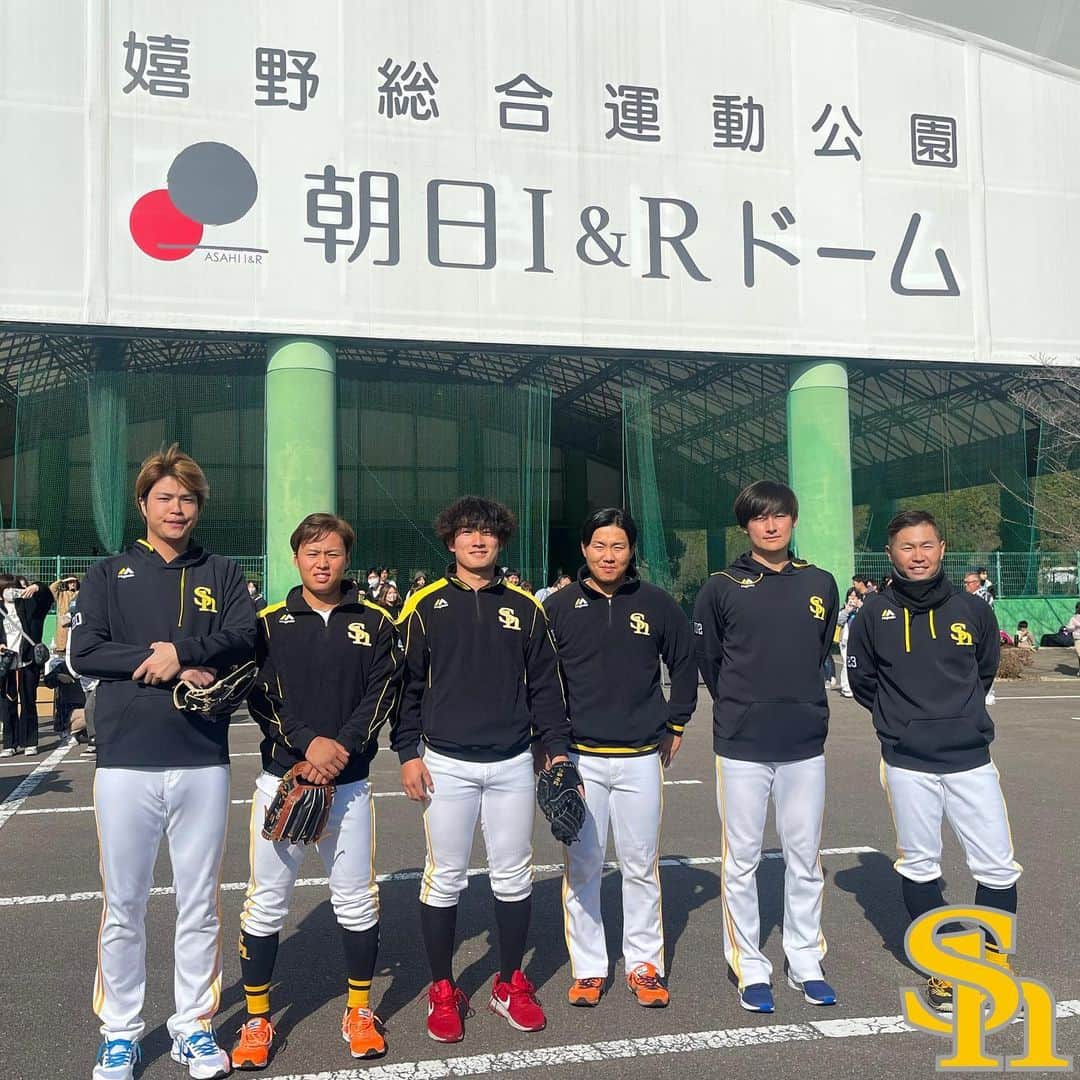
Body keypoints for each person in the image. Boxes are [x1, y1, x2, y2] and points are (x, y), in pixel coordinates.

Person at [70, 445, 257, 1080]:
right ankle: (120, 1032)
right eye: (165, 498)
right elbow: (84, 651)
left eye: (188, 499)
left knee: (199, 903)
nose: (177, 508)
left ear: (199, 507)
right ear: (143, 504)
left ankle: (193, 1027)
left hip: (202, 757)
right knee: (123, 904)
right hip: (125, 760)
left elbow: (245, 637)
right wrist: (159, 661)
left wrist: (185, 651)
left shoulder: (222, 571)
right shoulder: (108, 573)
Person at [392, 495, 571, 1043]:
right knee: (444, 878)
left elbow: (546, 687)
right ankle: (443, 988)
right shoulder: (423, 604)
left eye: (487, 532)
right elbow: (407, 686)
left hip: (513, 762)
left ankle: (510, 983)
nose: (478, 540)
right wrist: (407, 753)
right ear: (451, 541)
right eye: (467, 531)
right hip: (445, 763)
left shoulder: (526, 607)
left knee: (514, 875)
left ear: (500, 541)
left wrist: (556, 749)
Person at [235, 513, 401, 1069]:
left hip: (348, 786)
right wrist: (308, 746)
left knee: (356, 900)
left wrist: (340, 750)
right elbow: (260, 698)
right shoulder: (268, 623)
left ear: (347, 558)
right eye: (312, 553)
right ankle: (257, 1019)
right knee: (266, 903)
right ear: (296, 559)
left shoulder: (376, 621)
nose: (322, 562)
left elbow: (383, 693)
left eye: (332, 552)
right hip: (282, 781)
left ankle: (359, 1011)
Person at [847, 510, 1017, 1014]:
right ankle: (945, 967)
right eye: (907, 546)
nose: (917, 556)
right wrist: (902, 722)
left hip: (970, 758)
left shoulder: (973, 610)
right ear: (890, 554)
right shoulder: (873, 614)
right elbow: (863, 682)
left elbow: (984, 670)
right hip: (906, 761)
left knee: (997, 866)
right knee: (920, 865)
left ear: (942, 549)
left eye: (926, 545)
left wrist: (957, 718)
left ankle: (994, 961)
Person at [692, 480, 839, 1013]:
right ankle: (749, 965)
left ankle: (805, 959)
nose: (770, 525)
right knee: (742, 860)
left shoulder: (820, 582)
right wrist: (743, 704)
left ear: (793, 520)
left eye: (779, 515)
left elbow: (819, 652)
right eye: (759, 517)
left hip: (804, 740)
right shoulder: (720, 587)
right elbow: (710, 661)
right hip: (742, 742)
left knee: (805, 858)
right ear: (746, 526)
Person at [545, 509, 696, 1009]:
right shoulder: (559, 607)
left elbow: (685, 661)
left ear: (631, 551)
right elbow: (541, 680)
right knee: (584, 866)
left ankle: (644, 965)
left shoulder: (656, 603)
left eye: (618, 546)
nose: (608, 555)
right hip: (580, 759)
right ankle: (589, 969)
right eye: (599, 545)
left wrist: (676, 721)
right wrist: (551, 747)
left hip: (640, 758)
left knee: (640, 865)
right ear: (584, 549)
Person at [963, 570, 998, 704]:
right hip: (971, 632)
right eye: (965, 582)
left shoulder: (984, 596)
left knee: (985, 662)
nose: (965, 585)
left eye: (968, 583)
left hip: (983, 633)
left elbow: (986, 616)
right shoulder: (965, 597)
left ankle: (988, 693)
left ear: (977, 583)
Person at [837, 586, 862, 698]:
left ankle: (855, 686)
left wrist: (860, 607)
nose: (852, 599)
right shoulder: (845, 610)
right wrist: (847, 611)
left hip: (858, 641)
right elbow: (839, 621)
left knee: (857, 664)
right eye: (850, 596)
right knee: (847, 663)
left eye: (854, 597)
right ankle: (846, 687)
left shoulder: (861, 609)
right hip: (846, 641)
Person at [1067, 603, 1080, 675]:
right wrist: (1073, 627)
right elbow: (1069, 628)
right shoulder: (1073, 618)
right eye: (1078, 607)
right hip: (1078, 638)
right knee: (1079, 654)